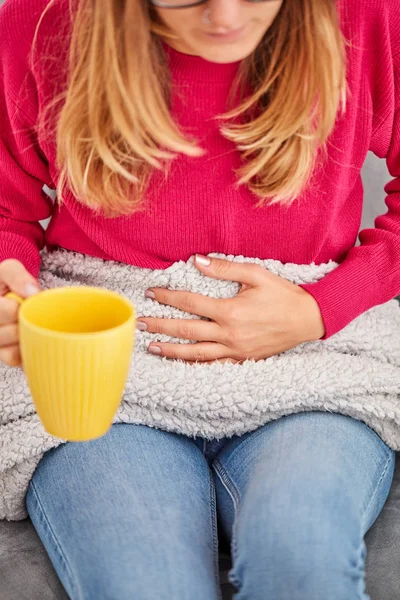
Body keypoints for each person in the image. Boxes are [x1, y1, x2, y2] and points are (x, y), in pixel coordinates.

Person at [0, 0, 399, 598]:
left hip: (312, 369)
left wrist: (323, 306)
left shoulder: (367, 18)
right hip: (107, 369)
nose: (226, 16)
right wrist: (10, 288)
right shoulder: (39, 25)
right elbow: (7, 208)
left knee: (301, 557)